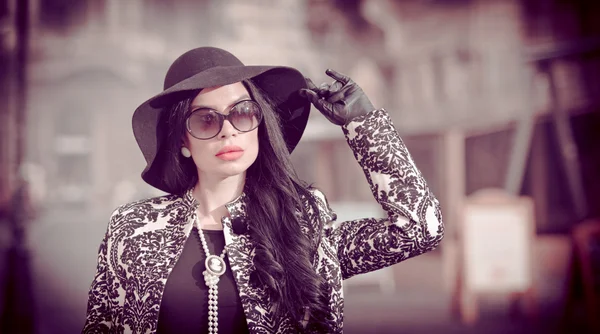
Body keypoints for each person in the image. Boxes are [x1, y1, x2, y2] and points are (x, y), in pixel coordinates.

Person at [82, 47, 444, 334]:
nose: (227, 131)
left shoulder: (304, 225)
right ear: (182, 141)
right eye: (206, 119)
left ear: (258, 124)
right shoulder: (133, 229)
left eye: (241, 113)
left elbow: (419, 229)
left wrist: (363, 124)